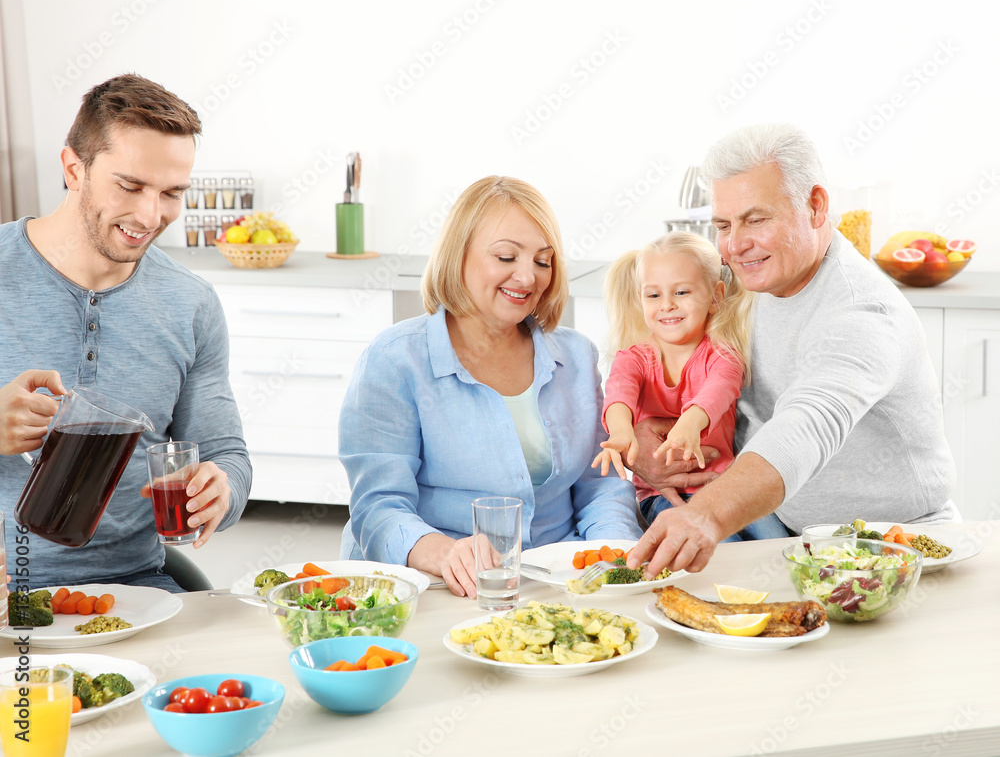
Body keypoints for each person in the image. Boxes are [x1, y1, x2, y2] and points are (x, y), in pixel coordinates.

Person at [628, 123, 957, 576]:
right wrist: (649, 431)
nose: (735, 245)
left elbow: (806, 426)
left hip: (892, 554)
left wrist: (706, 513)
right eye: (723, 225)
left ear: (816, 206)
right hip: (791, 541)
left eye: (756, 219)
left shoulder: (861, 313)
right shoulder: (754, 280)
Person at [0, 74, 251, 592]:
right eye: (130, 186)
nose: (150, 214)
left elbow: (227, 455)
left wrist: (220, 491)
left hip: (137, 589)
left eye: (171, 193)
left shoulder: (191, 304)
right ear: (74, 168)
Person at [339, 175, 643, 597]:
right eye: (506, 256)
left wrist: (609, 551)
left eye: (542, 261)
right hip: (439, 585)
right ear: (457, 255)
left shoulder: (576, 356)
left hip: (562, 582)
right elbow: (378, 508)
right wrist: (443, 553)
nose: (527, 277)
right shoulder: (394, 360)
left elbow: (602, 485)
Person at [591, 232, 784, 540]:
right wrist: (620, 432)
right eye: (653, 295)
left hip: (725, 485)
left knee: (777, 542)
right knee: (723, 548)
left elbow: (720, 389)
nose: (666, 305)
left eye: (681, 292)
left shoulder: (722, 354)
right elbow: (619, 394)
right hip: (665, 494)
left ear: (715, 296)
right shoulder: (634, 358)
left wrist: (690, 424)